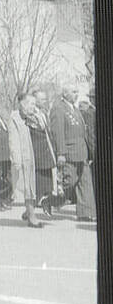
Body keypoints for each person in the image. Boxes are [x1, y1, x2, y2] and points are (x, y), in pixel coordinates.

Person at [50, 83, 96, 221]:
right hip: (69, 152)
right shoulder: (58, 109)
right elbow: (58, 133)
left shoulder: (75, 109)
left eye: (77, 91)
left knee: (85, 182)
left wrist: (89, 152)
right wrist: (61, 153)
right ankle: (50, 201)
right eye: (73, 91)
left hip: (82, 152)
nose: (76, 94)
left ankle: (85, 213)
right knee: (69, 182)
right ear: (65, 93)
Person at [8, 91, 44, 228]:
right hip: (24, 158)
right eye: (31, 103)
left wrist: (36, 115)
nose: (33, 106)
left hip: (37, 156)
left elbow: (42, 129)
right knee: (27, 187)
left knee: (35, 186)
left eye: (34, 104)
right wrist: (16, 159)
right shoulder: (15, 118)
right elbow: (13, 140)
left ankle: (29, 211)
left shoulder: (34, 116)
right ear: (23, 104)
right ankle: (32, 215)